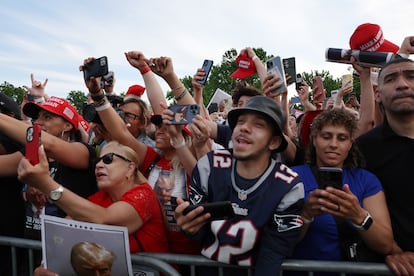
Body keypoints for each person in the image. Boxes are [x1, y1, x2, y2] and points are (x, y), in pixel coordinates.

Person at [174, 95, 304, 275]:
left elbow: (274, 252)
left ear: (274, 142)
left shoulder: (289, 185)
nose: (244, 128)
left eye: (258, 124)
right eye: (240, 121)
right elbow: (200, 235)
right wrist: (190, 227)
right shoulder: (208, 166)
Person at [17, 140, 169, 254]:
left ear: (130, 168)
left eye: (108, 159)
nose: (99, 165)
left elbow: (102, 218)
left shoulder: (144, 194)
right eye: (98, 160)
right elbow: (63, 230)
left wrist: (46, 184)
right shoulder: (100, 198)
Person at [289, 109, 393, 269]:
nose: (333, 144)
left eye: (342, 138)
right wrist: (306, 215)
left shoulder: (366, 180)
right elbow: (281, 241)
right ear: (314, 139)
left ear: (351, 143)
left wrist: (358, 215)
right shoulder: (291, 177)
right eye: (326, 136)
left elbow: (385, 244)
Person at [356, 57, 414, 275]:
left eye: (411, 76)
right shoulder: (364, 149)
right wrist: (392, 249)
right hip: (392, 269)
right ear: (378, 93)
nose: (402, 84)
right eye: (391, 79)